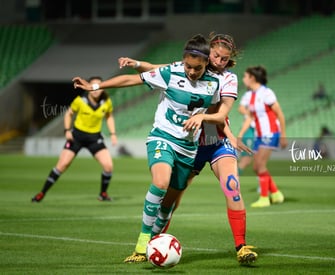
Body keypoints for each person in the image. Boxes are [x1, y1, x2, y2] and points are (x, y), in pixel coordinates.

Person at [73, 34, 229, 263]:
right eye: (188, 66)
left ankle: (152, 244)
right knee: (160, 183)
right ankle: (143, 239)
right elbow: (130, 80)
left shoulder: (213, 84)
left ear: (206, 63)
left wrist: (206, 118)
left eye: (197, 68)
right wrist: (96, 85)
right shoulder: (171, 73)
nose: (192, 72)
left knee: (170, 203)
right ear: (182, 61)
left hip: (189, 148)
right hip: (163, 137)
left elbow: (217, 114)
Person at [119, 33, 258, 265]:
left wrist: (230, 135)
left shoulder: (228, 79)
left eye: (225, 59)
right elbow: (155, 68)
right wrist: (135, 64)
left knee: (232, 186)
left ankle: (241, 247)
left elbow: (222, 114)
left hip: (215, 141)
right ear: (208, 51)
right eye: (216, 55)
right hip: (187, 142)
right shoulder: (189, 66)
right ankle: (150, 244)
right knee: (171, 199)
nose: (219, 61)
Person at [31, 76, 117, 202]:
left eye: (98, 86)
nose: (96, 89)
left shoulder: (106, 102)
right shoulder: (80, 101)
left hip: (94, 138)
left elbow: (109, 116)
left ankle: (103, 194)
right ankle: (41, 193)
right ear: (88, 88)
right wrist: (67, 130)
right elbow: (69, 114)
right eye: (93, 86)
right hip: (77, 137)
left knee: (108, 166)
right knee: (62, 165)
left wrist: (113, 133)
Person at [238, 66, 287, 208]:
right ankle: (276, 193)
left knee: (259, 164)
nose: (244, 79)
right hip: (260, 134)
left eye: (245, 76)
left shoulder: (266, 93)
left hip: (270, 133)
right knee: (257, 166)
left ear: (252, 78)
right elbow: (247, 114)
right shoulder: (252, 95)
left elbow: (280, 114)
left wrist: (283, 134)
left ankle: (264, 198)